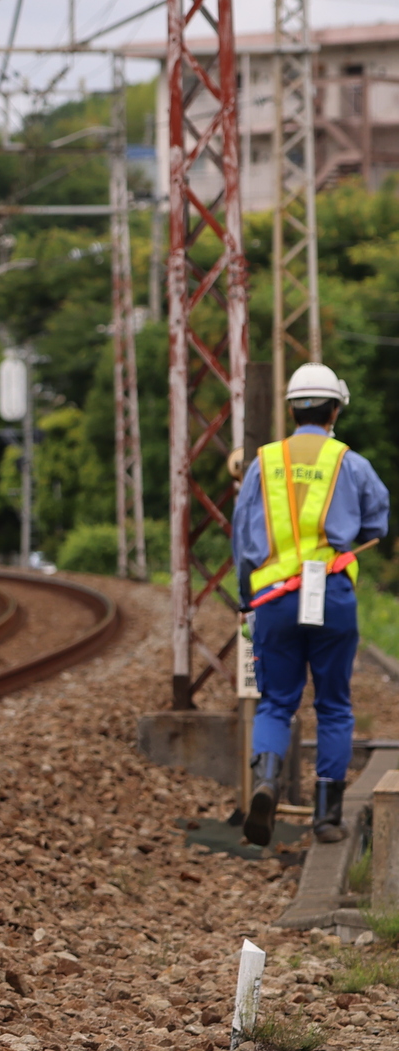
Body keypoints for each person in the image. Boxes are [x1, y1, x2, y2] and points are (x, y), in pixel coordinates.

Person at [234, 362, 389, 848]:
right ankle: (327, 816)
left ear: (291, 408)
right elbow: (377, 522)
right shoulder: (352, 463)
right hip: (333, 595)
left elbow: (242, 540)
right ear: (335, 408)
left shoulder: (263, 463)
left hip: (275, 600)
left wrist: (247, 602)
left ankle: (266, 781)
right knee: (335, 706)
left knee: (277, 703)